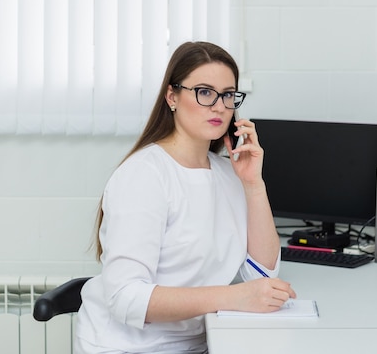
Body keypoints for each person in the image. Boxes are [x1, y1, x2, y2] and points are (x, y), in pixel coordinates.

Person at [75, 41, 296, 353]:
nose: (220, 106)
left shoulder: (228, 174)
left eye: (228, 95)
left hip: (200, 342)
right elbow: (125, 297)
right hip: (132, 347)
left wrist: (253, 184)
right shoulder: (145, 175)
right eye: (204, 92)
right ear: (172, 97)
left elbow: (261, 272)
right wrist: (234, 296)